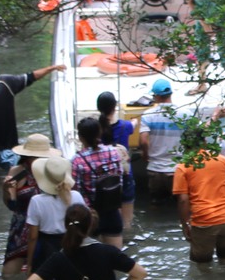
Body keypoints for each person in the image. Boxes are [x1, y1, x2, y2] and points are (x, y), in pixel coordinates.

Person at [0, 54, 66, 168]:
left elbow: (30, 77)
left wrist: (51, 68)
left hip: (9, 148)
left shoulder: (6, 83)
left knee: (12, 179)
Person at [25, 156, 85, 280]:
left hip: (47, 248)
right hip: (73, 245)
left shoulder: (37, 201)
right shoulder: (76, 197)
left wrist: (29, 264)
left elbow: (33, 237)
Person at [172, 122, 225, 263]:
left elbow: (184, 200)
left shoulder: (183, 166)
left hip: (204, 221)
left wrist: (185, 225)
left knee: (201, 265)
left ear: (185, 145)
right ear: (204, 142)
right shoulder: (222, 160)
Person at [0, 132, 62, 271]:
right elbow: (12, 205)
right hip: (21, 227)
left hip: (46, 227)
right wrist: (5, 190)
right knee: (9, 273)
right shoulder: (17, 172)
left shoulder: (53, 171)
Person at [71, 114, 132, 243]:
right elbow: (120, 176)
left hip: (90, 215)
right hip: (112, 211)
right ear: (99, 133)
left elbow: (76, 191)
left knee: (93, 258)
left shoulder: (77, 160)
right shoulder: (113, 152)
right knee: (115, 258)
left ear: (80, 137)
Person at [96, 90, 140, 233]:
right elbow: (133, 124)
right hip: (125, 174)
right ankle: (127, 239)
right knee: (127, 222)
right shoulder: (125, 126)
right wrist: (135, 120)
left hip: (104, 177)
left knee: (109, 216)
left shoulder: (96, 128)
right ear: (115, 107)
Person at [138, 78, 185, 201]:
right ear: (171, 94)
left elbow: (143, 140)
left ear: (156, 96)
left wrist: (145, 155)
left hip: (155, 169)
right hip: (177, 169)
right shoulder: (185, 113)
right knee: (180, 204)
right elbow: (198, 135)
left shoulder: (148, 115)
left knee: (155, 204)